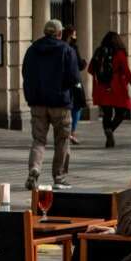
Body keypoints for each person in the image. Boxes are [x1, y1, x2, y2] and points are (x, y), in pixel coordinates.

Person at [22, 19, 80, 191]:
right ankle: (59, 177)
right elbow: (74, 77)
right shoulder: (66, 50)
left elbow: (25, 73)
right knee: (62, 140)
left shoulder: (32, 50)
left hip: (38, 102)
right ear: (60, 33)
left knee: (38, 140)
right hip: (60, 103)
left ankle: (35, 168)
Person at [89, 31, 131, 148]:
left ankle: (108, 130)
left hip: (102, 87)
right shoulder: (120, 53)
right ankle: (110, 129)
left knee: (107, 113)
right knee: (122, 112)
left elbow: (91, 69)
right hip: (117, 87)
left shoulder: (99, 51)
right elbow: (127, 72)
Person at [62, 25, 87, 145]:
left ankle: (66, 132)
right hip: (74, 81)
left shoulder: (60, 46)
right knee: (77, 106)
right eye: (74, 34)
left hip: (62, 81)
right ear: (70, 35)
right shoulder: (73, 47)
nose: (76, 37)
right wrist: (84, 63)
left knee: (67, 106)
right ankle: (72, 132)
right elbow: (79, 64)